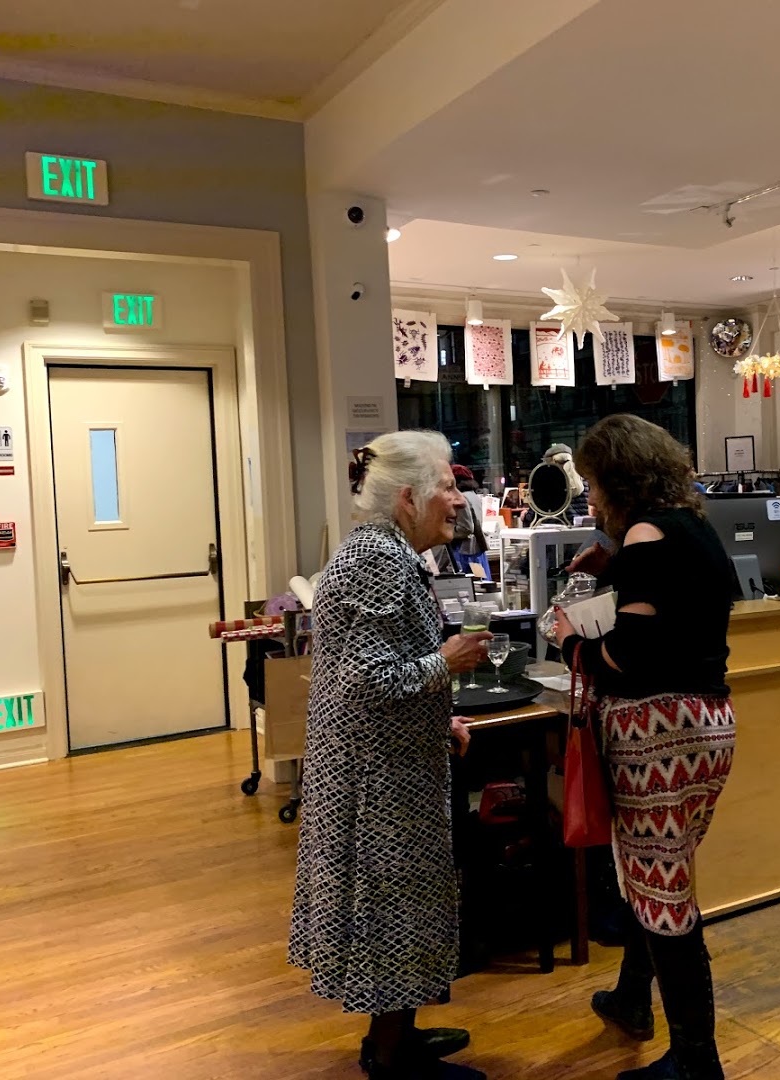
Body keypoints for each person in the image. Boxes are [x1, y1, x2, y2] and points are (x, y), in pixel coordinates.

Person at [288, 430, 493, 1080]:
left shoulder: (383, 553)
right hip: (376, 783)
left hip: (385, 765)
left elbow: (374, 671)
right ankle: (390, 1056)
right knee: (393, 911)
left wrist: (439, 717)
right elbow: (367, 680)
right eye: (448, 488)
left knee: (402, 908)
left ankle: (396, 1037)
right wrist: (447, 662)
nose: (458, 500)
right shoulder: (378, 559)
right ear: (408, 498)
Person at [554, 414, 736, 1080]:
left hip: (656, 733)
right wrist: (620, 565)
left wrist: (569, 641)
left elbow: (626, 655)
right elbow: (682, 608)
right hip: (707, 725)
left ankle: (696, 1061)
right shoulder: (691, 528)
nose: (591, 497)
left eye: (594, 483)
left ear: (618, 479)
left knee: (662, 891)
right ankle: (633, 998)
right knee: (657, 873)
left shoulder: (645, 535)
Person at [448, 465, 492, 580]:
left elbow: (466, 528)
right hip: (477, 549)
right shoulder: (473, 495)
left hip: (465, 551)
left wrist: (448, 531)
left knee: (469, 585)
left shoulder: (461, 498)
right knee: (482, 583)